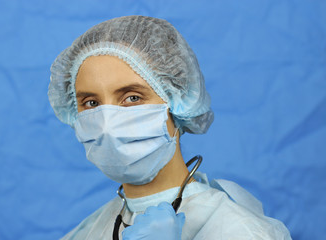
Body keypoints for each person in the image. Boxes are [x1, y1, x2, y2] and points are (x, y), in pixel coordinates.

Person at [48, 15, 291, 240]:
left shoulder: (242, 232)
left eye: (132, 97)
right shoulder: (87, 232)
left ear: (178, 102)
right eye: (91, 103)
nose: (106, 124)